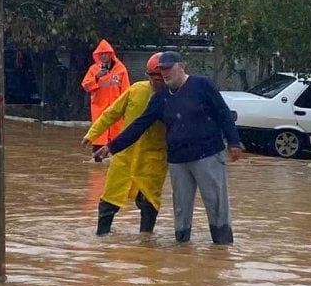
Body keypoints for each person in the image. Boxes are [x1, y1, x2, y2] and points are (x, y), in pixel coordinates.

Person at [95, 51, 242, 245]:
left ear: (182, 66)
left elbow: (223, 113)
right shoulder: (161, 97)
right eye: (161, 69)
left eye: (168, 68)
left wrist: (233, 142)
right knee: (181, 208)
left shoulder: (202, 85)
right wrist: (111, 147)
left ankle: (222, 247)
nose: (164, 73)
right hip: (177, 160)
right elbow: (139, 125)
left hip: (207, 155)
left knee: (216, 203)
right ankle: (182, 249)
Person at [81, 53, 168, 235]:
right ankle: (101, 237)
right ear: (148, 76)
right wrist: (93, 134)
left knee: (149, 202)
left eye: (162, 78)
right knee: (109, 200)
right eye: (154, 77)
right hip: (125, 155)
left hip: (153, 159)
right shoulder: (136, 90)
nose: (157, 82)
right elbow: (111, 113)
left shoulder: (173, 97)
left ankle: (146, 242)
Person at [81, 39, 130, 160]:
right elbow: (86, 86)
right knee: (98, 141)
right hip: (99, 111)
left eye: (106, 53)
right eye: (101, 54)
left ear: (111, 54)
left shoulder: (121, 69)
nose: (103, 56)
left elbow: (126, 90)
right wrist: (96, 78)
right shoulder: (93, 70)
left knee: (116, 145)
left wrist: (126, 109)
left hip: (116, 112)